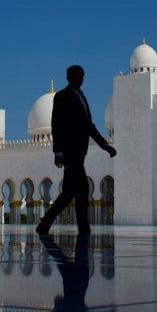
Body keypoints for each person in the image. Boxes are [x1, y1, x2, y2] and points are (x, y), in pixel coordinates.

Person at [36, 64, 116, 235]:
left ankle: (46, 225)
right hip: (70, 152)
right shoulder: (62, 96)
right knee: (80, 190)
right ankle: (82, 228)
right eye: (75, 76)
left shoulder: (82, 97)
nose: (79, 79)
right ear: (68, 77)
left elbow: (89, 126)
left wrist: (105, 145)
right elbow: (56, 124)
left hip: (79, 152)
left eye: (81, 76)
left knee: (72, 192)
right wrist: (58, 152)